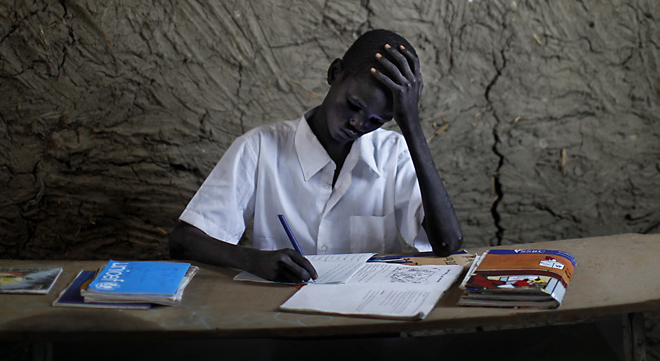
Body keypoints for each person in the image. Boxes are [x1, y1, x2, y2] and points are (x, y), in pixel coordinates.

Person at [168, 29, 463, 283]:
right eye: (353, 105)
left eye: (377, 121)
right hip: (281, 321)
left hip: (369, 324)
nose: (359, 124)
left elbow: (446, 243)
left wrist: (410, 124)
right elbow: (184, 241)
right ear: (334, 74)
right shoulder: (259, 148)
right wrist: (253, 260)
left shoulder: (393, 153)